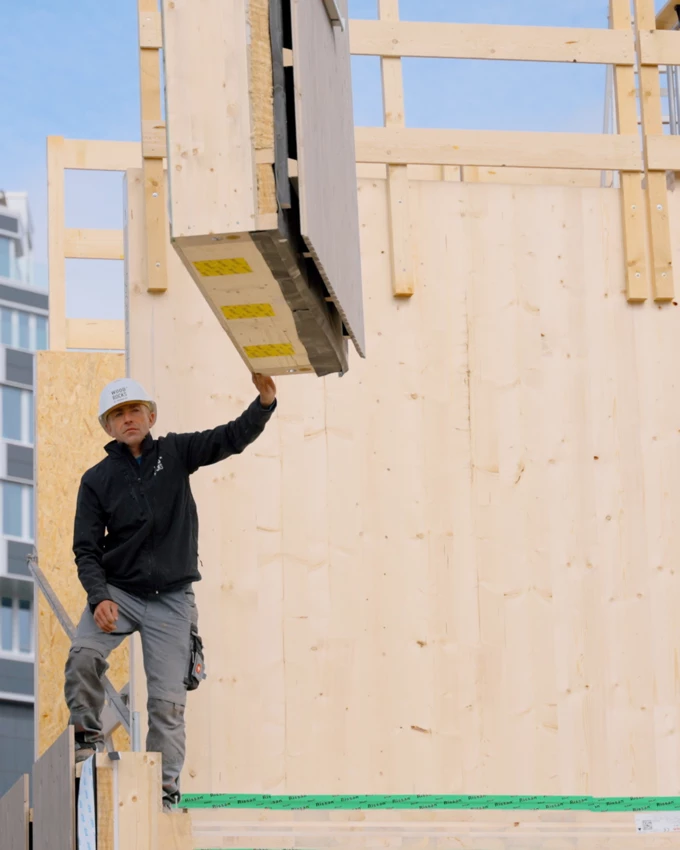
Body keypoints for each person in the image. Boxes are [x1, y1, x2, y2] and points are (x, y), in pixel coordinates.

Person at [64, 373, 277, 811]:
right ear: (109, 427)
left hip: (172, 600)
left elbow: (229, 438)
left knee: (167, 705)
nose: (128, 419)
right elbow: (86, 548)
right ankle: (86, 742)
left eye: (135, 410)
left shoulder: (177, 452)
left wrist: (265, 401)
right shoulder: (97, 480)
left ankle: (163, 793)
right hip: (118, 592)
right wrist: (98, 595)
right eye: (118, 414)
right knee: (83, 656)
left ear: (151, 416)